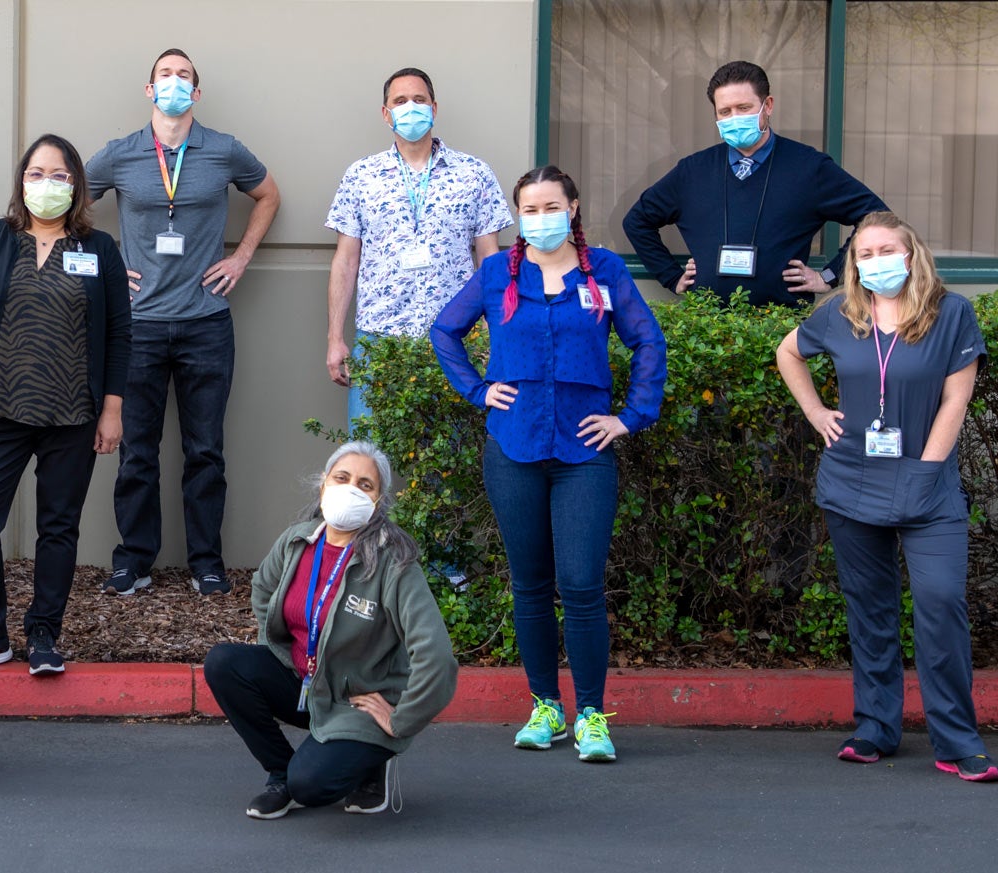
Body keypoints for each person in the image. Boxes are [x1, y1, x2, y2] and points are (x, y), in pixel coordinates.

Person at [431, 166, 667, 763]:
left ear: (574, 207)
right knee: (530, 585)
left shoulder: (606, 271)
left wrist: (630, 416)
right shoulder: (495, 274)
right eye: (529, 210)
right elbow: (444, 331)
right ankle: (545, 706)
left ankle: (591, 715)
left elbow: (648, 342)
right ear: (518, 216)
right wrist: (479, 391)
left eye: (551, 207)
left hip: (585, 453)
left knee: (582, 586)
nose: (541, 218)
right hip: (513, 449)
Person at [775, 212, 998, 783]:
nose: (875, 261)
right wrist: (816, 412)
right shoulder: (842, 314)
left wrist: (928, 468)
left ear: (912, 253)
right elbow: (788, 352)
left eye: (886, 249)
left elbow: (956, 400)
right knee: (870, 611)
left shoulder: (951, 315)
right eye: (865, 253)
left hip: (929, 483)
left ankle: (957, 739)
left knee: (941, 603)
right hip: (851, 483)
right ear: (854, 264)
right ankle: (875, 726)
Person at [86, 48, 281, 597]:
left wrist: (241, 256)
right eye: (165, 76)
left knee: (206, 451)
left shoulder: (223, 149)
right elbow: (71, 204)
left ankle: (206, 562)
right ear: (149, 91)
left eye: (185, 76)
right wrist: (103, 267)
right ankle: (133, 560)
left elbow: (268, 194)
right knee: (136, 450)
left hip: (206, 322)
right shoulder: (120, 154)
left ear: (196, 93)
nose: (174, 83)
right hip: (138, 327)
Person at [0, 133, 131, 675]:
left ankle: (44, 635)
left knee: (58, 527)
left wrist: (112, 410)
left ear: (78, 186)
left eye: (61, 175)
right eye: (37, 174)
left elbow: (120, 334)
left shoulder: (100, 249)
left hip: (74, 415)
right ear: (21, 182)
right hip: (1, 409)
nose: (48, 184)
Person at [203, 441, 458, 820]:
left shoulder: (394, 561)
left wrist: (401, 719)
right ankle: (279, 775)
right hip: (306, 683)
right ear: (324, 483)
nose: (351, 488)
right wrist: (279, 651)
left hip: (360, 701)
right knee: (224, 663)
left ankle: (374, 756)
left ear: (379, 501)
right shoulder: (298, 540)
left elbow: (437, 656)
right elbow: (263, 589)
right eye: (342, 477)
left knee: (312, 787)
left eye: (365, 484)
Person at [324, 67, 512, 427]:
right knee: (369, 454)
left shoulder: (474, 174)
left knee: (452, 456)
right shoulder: (360, 176)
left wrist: (494, 333)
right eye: (400, 101)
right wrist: (335, 338)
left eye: (419, 100)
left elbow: (491, 260)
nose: (411, 107)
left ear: (434, 108)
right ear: (386, 113)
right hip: (380, 336)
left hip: (456, 336)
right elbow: (345, 262)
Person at [623, 60, 887, 308]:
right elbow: (636, 221)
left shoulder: (809, 167)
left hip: (781, 327)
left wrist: (830, 275)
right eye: (725, 112)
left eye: (744, 108)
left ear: (768, 105)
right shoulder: (693, 171)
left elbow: (877, 217)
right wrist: (671, 276)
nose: (734, 118)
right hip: (706, 326)